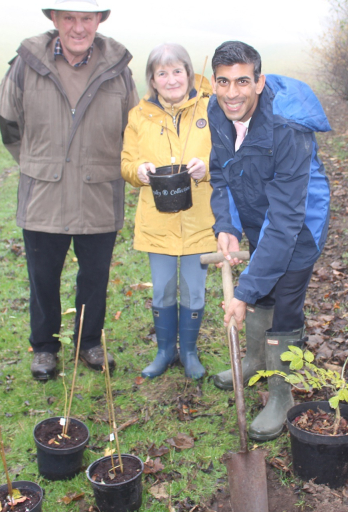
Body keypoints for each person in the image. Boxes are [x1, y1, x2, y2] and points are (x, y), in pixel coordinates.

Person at [0, 0, 138, 381]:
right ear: (54, 20)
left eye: (86, 18)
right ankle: (43, 348)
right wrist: (38, 163)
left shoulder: (119, 71)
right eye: (70, 18)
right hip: (44, 194)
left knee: (95, 276)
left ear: (98, 22)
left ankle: (88, 342)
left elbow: (134, 130)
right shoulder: (26, 64)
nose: (78, 27)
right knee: (42, 277)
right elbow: (9, 125)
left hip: (98, 192)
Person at [207, 41, 331, 440]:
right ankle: (254, 362)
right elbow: (220, 171)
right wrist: (225, 224)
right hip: (259, 214)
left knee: (284, 306)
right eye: (223, 82)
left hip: (299, 226)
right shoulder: (217, 112)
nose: (232, 93)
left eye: (242, 81)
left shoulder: (288, 130)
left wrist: (241, 293)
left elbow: (285, 223)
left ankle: (280, 392)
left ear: (259, 82)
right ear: (213, 83)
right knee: (261, 290)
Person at [121, 44, 215, 380]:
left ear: (189, 73)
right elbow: (126, 163)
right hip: (156, 221)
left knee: (193, 288)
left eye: (177, 71)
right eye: (162, 73)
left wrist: (208, 167)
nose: (171, 79)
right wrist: (139, 171)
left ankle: (188, 353)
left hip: (201, 220)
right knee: (161, 289)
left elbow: (231, 154)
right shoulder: (138, 116)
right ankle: (164, 352)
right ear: (153, 79)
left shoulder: (211, 107)